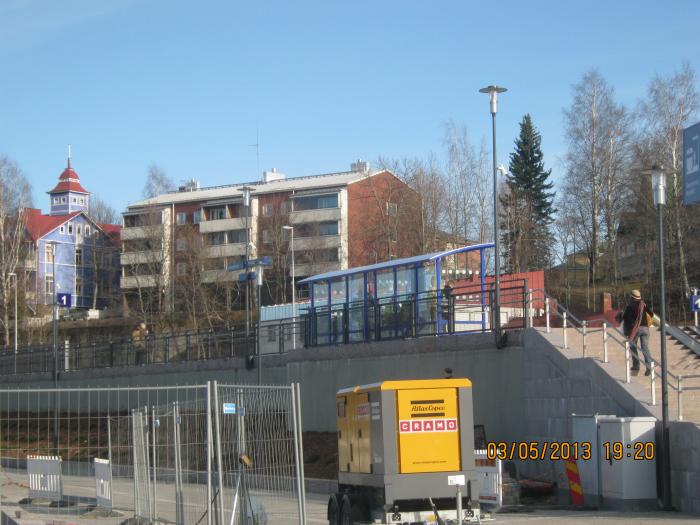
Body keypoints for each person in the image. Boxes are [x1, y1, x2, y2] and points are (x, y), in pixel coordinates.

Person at [618, 290, 655, 376]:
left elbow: (626, 318)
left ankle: (636, 365)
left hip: (636, 329)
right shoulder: (643, 305)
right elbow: (651, 314)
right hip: (646, 329)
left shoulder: (630, 306)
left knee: (632, 346)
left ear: (632, 297)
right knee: (645, 348)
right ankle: (649, 367)